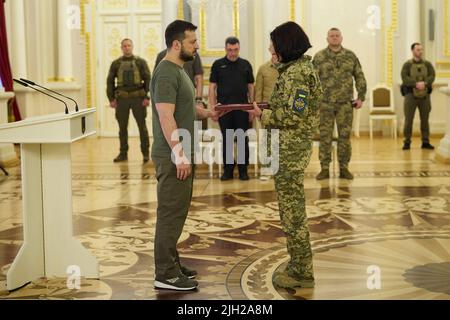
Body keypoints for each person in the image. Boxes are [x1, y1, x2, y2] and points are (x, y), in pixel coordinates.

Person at [247, 21, 323, 289]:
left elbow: (295, 113)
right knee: (291, 210)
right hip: (288, 149)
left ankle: (302, 270)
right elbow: (291, 105)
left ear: (286, 45)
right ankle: (298, 264)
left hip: (290, 151)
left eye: (274, 43)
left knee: (293, 213)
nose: (270, 48)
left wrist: (262, 114)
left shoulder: (297, 74)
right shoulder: (296, 69)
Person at [151, 20, 219, 291]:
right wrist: (179, 154)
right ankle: (164, 273)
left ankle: (172, 263)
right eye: (192, 41)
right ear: (177, 44)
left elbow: (185, 107)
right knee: (170, 213)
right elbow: (166, 116)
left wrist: (208, 113)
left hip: (182, 152)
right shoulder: (166, 72)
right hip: (172, 155)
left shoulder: (179, 71)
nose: (197, 46)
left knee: (177, 212)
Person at [313, 28, 367, 180]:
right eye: (332, 36)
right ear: (327, 38)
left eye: (337, 36)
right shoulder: (319, 57)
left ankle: (344, 168)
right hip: (325, 104)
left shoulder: (350, 56)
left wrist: (361, 97)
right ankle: (324, 168)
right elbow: (312, 80)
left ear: (341, 38)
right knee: (325, 137)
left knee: (344, 137)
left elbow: (359, 76)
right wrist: (313, 100)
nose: (335, 38)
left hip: (345, 104)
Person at [209, 37, 255, 181]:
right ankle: (228, 169)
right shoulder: (218, 65)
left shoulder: (246, 64)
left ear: (239, 49)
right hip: (224, 110)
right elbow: (212, 88)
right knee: (227, 139)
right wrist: (213, 108)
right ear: (225, 49)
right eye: (230, 50)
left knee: (242, 139)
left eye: (235, 50)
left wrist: (252, 108)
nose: (233, 53)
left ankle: (243, 170)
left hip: (242, 110)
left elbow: (251, 87)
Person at [107, 39, 151, 164]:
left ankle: (146, 154)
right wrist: (111, 99)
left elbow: (149, 80)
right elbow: (109, 82)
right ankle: (123, 153)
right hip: (122, 100)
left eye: (129, 45)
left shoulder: (140, 62)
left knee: (142, 127)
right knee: (122, 128)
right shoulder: (115, 64)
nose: (127, 48)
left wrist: (147, 97)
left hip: (138, 99)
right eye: (124, 46)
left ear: (132, 46)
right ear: (121, 47)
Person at [401, 43, 436, 150]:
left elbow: (432, 76)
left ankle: (425, 141)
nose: (420, 52)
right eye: (418, 50)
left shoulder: (428, 64)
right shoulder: (407, 65)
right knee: (408, 120)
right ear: (412, 51)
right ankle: (407, 141)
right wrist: (415, 84)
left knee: (425, 119)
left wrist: (424, 83)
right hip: (410, 95)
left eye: (421, 50)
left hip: (425, 96)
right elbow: (404, 77)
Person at [155, 49, 206, 115]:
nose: (196, 46)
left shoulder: (193, 54)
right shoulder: (162, 55)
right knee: (171, 122)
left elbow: (199, 78)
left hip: (189, 98)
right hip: (170, 100)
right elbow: (158, 79)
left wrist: (199, 100)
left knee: (197, 124)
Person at [255, 57, 279, 181]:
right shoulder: (263, 69)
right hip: (266, 111)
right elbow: (258, 92)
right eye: (274, 52)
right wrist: (258, 112)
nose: (275, 56)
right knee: (267, 141)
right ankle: (266, 168)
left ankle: (278, 170)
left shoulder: (288, 67)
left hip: (282, 112)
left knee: (280, 141)